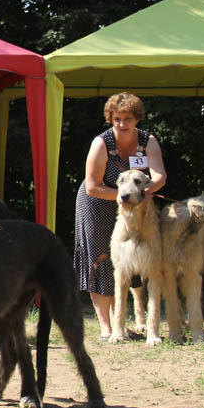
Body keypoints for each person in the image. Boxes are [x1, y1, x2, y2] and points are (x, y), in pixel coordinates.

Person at [74, 92, 166, 341]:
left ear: (137, 119)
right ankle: (107, 327)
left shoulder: (148, 141)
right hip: (96, 200)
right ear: (110, 118)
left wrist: (144, 191)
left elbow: (159, 176)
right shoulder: (101, 143)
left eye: (127, 118)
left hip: (135, 204)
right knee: (101, 259)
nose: (122, 124)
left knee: (128, 266)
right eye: (117, 119)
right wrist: (126, 195)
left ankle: (121, 326)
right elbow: (93, 186)